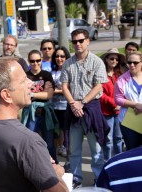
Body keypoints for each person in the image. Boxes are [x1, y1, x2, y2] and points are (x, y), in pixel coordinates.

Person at [0, 57, 68, 191]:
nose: (31, 84)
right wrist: (54, 172)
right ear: (6, 95)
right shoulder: (28, 141)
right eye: (24, 80)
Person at [60, 29, 109, 189]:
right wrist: (74, 103)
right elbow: (64, 86)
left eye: (81, 40)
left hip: (91, 108)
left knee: (96, 149)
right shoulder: (68, 63)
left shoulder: (96, 62)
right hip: (74, 109)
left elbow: (99, 85)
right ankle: (76, 178)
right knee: (74, 149)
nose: (78, 44)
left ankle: (99, 178)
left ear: (88, 41)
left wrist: (82, 102)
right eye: (75, 41)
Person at [21, 50, 58, 163]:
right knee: (30, 141)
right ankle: (31, 165)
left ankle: (54, 164)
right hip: (31, 113)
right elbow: (23, 94)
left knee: (49, 142)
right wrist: (42, 93)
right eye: (32, 61)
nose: (35, 63)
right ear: (29, 61)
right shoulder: (25, 76)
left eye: (38, 60)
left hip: (45, 113)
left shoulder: (46, 75)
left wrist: (32, 94)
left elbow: (49, 95)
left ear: (41, 60)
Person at [100, 48, 125, 161]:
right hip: (106, 111)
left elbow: (124, 90)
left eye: (116, 59)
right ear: (106, 59)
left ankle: (119, 160)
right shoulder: (101, 75)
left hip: (119, 111)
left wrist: (120, 103)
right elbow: (100, 93)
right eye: (111, 58)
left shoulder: (120, 74)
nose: (114, 61)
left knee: (119, 138)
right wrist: (114, 103)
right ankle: (108, 161)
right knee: (108, 139)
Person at [114, 51, 142, 150]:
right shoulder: (122, 80)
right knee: (132, 150)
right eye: (129, 62)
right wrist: (135, 105)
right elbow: (118, 99)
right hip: (129, 121)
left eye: (135, 62)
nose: (132, 65)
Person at [51, 46, 71, 161]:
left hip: (66, 106)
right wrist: (62, 90)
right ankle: (57, 150)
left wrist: (56, 90)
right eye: (57, 56)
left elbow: (70, 89)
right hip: (53, 106)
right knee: (55, 131)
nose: (59, 58)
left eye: (62, 56)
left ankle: (67, 156)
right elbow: (48, 89)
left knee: (66, 131)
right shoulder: (52, 72)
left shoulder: (70, 70)